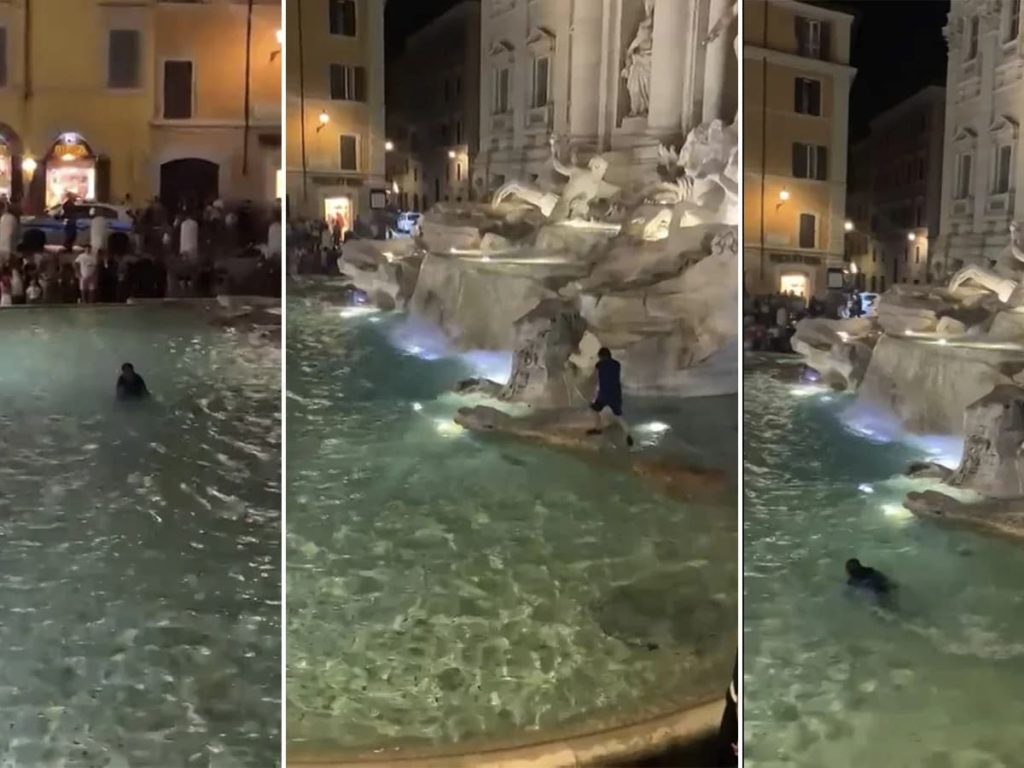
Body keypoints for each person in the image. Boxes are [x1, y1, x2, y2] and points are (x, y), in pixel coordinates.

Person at [586, 347, 634, 447]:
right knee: (618, 416)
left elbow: (593, 377)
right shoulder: (617, 364)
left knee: (594, 409)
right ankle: (628, 434)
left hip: (604, 393)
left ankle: (598, 429)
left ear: (601, 357)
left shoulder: (600, 365)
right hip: (616, 394)